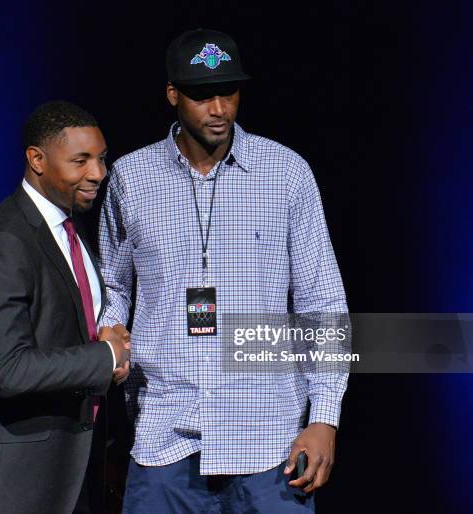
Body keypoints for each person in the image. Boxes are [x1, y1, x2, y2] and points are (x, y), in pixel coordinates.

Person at [98, 29, 348, 512]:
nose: (218, 108)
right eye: (201, 95)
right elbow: (113, 283)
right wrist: (111, 328)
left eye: (228, 92)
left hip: (269, 443)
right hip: (165, 437)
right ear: (172, 94)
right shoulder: (132, 177)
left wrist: (325, 417)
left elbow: (323, 303)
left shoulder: (286, 173)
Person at [0, 100, 131, 514]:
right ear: (36, 159)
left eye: (101, 158)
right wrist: (105, 356)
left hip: (69, 470)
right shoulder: (7, 241)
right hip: (12, 480)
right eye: (81, 160)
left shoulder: (68, 231)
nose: (98, 173)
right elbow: (10, 369)